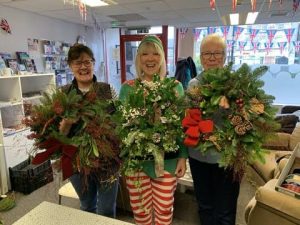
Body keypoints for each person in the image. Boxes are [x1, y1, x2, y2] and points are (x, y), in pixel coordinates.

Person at [119, 35, 188, 225]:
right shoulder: (128, 88)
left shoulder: (175, 87)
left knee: (164, 211)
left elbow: (182, 126)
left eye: (155, 53)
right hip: (136, 164)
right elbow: (121, 128)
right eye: (145, 54)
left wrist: (182, 156)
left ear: (162, 58)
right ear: (138, 59)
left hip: (168, 160)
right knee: (140, 213)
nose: (150, 59)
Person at [59, 44, 119, 218]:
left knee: (107, 209)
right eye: (78, 62)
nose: (83, 66)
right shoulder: (63, 94)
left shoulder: (108, 90)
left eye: (87, 61)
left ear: (93, 63)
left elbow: (121, 123)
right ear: (70, 66)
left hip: (108, 161)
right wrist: (67, 123)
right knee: (87, 206)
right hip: (76, 162)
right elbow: (57, 137)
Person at [187, 34, 240, 225]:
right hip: (199, 157)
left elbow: (245, 119)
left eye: (217, 53)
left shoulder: (236, 84)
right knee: (205, 206)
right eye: (206, 53)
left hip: (227, 156)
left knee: (225, 210)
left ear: (224, 56)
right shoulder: (194, 85)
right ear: (200, 58)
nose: (211, 58)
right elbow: (190, 119)